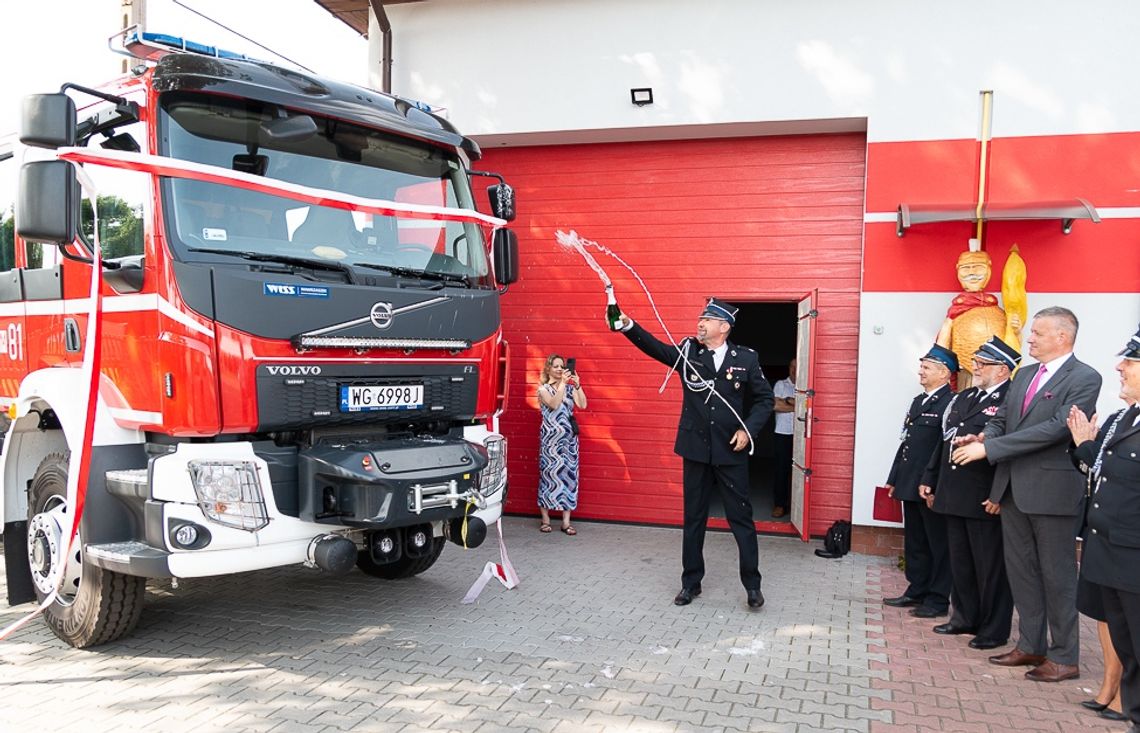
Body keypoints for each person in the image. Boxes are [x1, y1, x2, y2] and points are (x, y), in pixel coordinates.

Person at [952, 306, 1101, 683]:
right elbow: (1003, 417)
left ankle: (1064, 656)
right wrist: (984, 436)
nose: (1029, 338)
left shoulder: (1085, 378)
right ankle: (1031, 644)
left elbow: (1056, 428)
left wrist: (991, 450)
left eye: (1036, 333)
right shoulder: (1026, 374)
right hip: (1013, 489)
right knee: (1022, 574)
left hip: (1052, 494)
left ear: (1062, 337)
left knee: (1057, 576)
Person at [615, 298, 774, 609]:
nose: (701, 323)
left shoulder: (746, 359)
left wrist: (748, 430)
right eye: (700, 318)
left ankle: (752, 586)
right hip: (696, 450)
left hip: (731, 451)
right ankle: (691, 583)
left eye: (708, 319)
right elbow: (656, 349)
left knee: (741, 519)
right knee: (694, 519)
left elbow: (765, 400)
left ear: (724, 327)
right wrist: (628, 326)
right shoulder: (689, 354)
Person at [918, 336, 1017, 650]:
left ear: (1002, 370)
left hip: (983, 495)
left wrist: (1000, 494)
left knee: (990, 566)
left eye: (982, 363)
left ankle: (992, 629)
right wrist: (931, 477)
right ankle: (964, 618)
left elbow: (1011, 451)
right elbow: (944, 441)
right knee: (961, 562)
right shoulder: (965, 396)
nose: (975, 366)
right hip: (954, 491)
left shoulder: (1011, 399)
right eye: (976, 360)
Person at [1067, 329, 1140, 729]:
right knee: (1126, 642)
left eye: (1130, 361)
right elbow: (1101, 471)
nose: (1120, 367)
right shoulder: (1124, 417)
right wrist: (1083, 445)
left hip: (1132, 553)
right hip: (1107, 546)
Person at [881, 344, 956, 618]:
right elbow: (906, 444)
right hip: (910, 482)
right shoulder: (919, 401)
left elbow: (943, 449)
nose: (920, 372)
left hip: (930, 486)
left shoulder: (951, 403)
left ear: (944, 372)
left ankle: (937, 600)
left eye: (926, 367)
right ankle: (916, 590)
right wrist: (894, 478)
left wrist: (934, 482)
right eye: (921, 366)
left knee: (937, 543)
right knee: (915, 542)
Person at [536, 354, 587, 535]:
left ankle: (566, 522)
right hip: (550, 443)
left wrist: (578, 385)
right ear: (548, 369)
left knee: (569, 479)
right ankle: (546, 519)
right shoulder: (543, 389)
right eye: (555, 366)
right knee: (548, 478)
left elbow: (583, 405)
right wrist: (563, 385)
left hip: (569, 443)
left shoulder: (570, 388)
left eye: (561, 366)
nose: (559, 369)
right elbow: (554, 404)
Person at [771, 359, 796, 519]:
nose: (795, 370)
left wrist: (785, 401)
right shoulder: (780, 385)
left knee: (799, 472)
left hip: (801, 435)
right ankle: (780, 505)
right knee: (781, 470)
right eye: (792, 367)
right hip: (782, 433)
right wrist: (795, 403)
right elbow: (775, 406)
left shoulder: (805, 387)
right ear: (789, 368)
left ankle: (796, 506)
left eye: (798, 367)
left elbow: (808, 405)